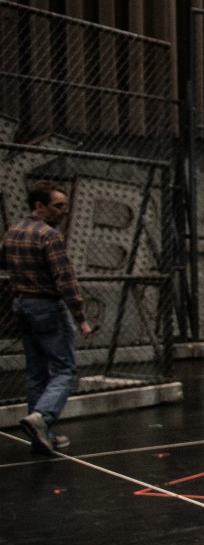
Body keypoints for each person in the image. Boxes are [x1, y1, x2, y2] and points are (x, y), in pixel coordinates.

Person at [5, 182, 92, 454]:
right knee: (65, 370)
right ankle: (42, 417)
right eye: (58, 206)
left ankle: (42, 437)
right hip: (46, 307)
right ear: (39, 205)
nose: (64, 212)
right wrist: (81, 318)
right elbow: (65, 280)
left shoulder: (13, 232)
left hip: (22, 305)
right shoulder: (49, 235)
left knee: (36, 372)